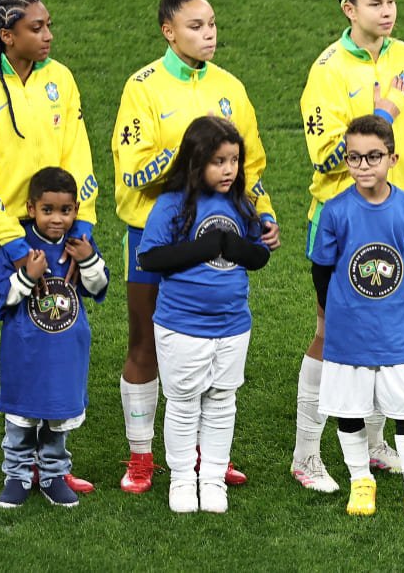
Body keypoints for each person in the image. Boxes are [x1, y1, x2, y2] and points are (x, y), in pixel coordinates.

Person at [112, 0, 278, 493]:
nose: (209, 34)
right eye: (196, 25)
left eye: (212, 25)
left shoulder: (230, 88)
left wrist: (263, 216)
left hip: (222, 237)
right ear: (169, 31)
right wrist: (189, 152)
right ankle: (142, 456)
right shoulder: (142, 88)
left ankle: (209, 455)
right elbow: (130, 172)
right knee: (145, 345)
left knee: (212, 343)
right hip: (153, 236)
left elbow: (249, 167)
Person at [0, 0, 99, 512]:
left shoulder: (61, 79)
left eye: (49, 24)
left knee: (47, 340)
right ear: (7, 35)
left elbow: (79, 155)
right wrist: (12, 243)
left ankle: (45, 465)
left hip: (52, 234)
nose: (49, 35)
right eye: (37, 27)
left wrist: (84, 234)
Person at [293, 0, 404, 493]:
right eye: (375, 3)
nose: (388, 11)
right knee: (332, 334)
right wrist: (383, 115)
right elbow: (327, 155)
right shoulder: (326, 72)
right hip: (341, 223)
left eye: (392, 1)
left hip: (397, 223)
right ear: (349, 10)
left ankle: (373, 444)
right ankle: (306, 455)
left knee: (382, 332)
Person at [310, 116, 404, 527]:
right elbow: (322, 270)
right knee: (348, 408)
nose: (364, 165)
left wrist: (398, 301)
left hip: (395, 332)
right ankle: (360, 480)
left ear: (392, 158)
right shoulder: (335, 211)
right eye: (355, 157)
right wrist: (338, 310)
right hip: (348, 330)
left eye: (374, 156)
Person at [137, 116, 271, 513]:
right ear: (197, 163)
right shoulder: (171, 204)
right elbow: (150, 257)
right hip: (182, 326)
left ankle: (212, 480)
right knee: (182, 403)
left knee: (221, 401)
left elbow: (258, 255)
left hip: (232, 325)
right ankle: (181, 479)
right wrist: (209, 246)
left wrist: (233, 245)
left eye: (234, 160)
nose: (229, 169)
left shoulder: (241, 203)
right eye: (218, 161)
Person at [0, 167, 108, 508]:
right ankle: (17, 474)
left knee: (58, 414)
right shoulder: (18, 246)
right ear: (31, 209)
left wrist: (89, 261)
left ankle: (54, 473)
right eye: (48, 210)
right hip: (25, 352)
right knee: (22, 416)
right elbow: (1, 299)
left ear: (75, 210)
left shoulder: (79, 244)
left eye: (66, 211)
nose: (57, 219)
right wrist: (28, 274)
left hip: (66, 352)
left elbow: (98, 288)